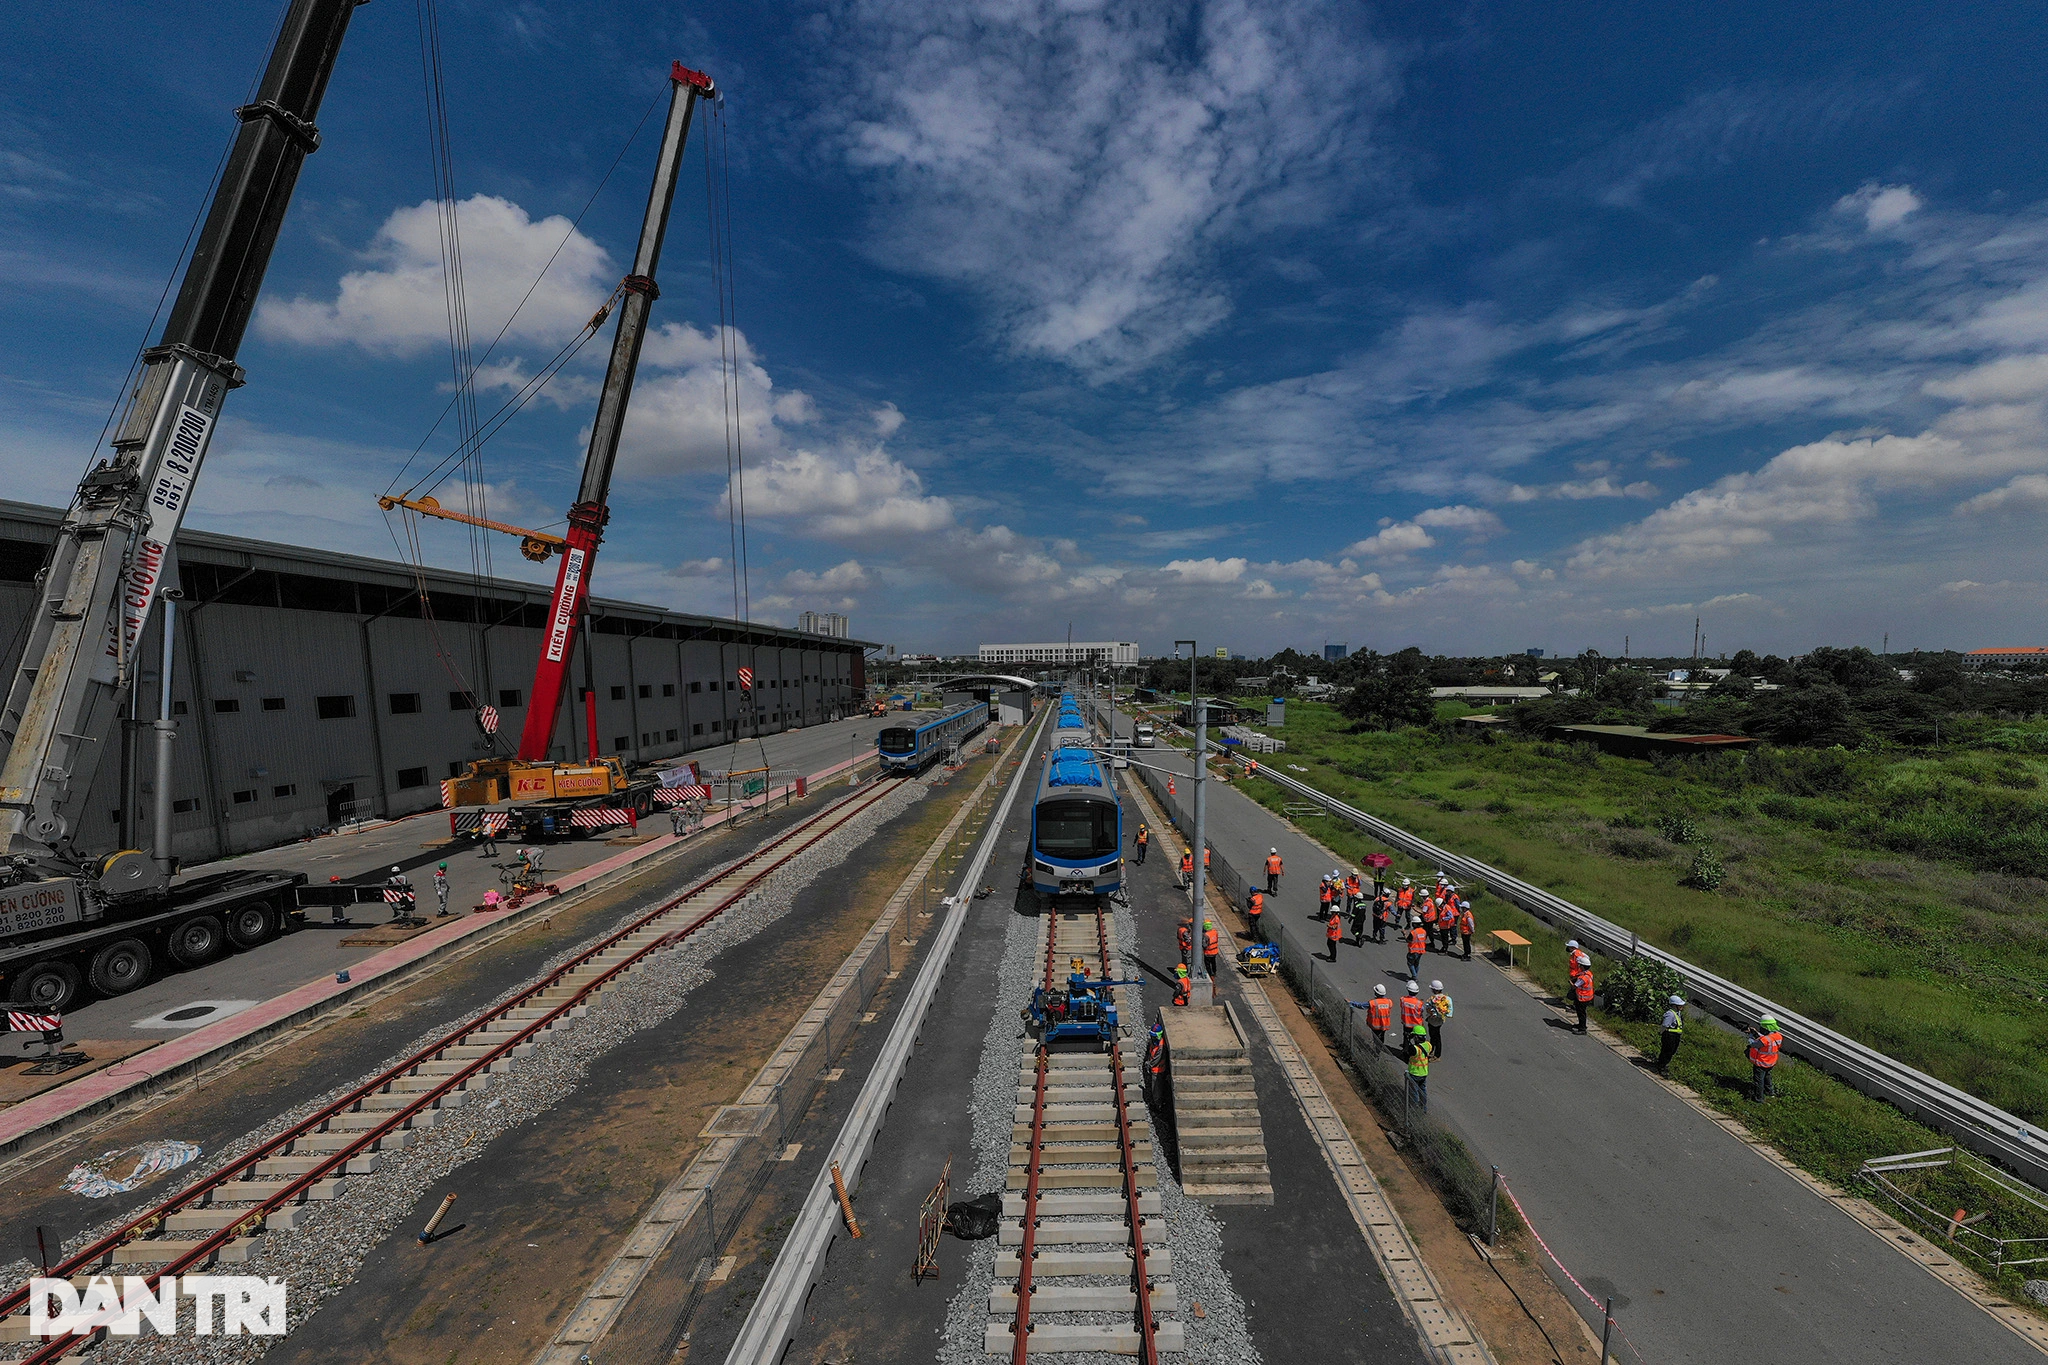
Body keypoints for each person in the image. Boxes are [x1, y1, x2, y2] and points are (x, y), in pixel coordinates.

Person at [1747, 1015, 1782, 1099]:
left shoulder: (1765, 1040)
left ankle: (1759, 1098)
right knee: (1767, 1077)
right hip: (1771, 1062)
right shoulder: (1778, 1036)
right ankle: (1770, 1092)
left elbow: (1753, 1044)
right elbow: (1767, 1038)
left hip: (1761, 1063)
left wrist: (1751, 1036)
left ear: (1766, 1027)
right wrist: (1757, 1033)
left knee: (1759, 1081)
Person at [1405, 1026, 1434, 1112]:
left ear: (1416, 1037)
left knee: (1414, 1092)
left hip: (1414, 1073)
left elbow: (1407, 1053)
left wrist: (1407, 1039)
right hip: (1424, 1073)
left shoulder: (1414, 1049)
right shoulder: (1429, 1045)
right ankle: (1423, 1107)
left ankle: (1414, 1109)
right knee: (1423, 1091)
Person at [1358, 985, 1394, 1051]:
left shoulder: (1373, 1003)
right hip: (1384, 1026)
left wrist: (1351, 1003)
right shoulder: (1389, 1002)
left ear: (1376, 993)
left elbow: (1361, 1006)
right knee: (1381, 1039)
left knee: (1376, 1040)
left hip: (1375, 1026)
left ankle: (1377, 1052)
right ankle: (1379, 1049)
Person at [1657, 994, 1686, 1072]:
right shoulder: (1670, 1014)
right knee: (1667, 1051)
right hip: (1669, 1035)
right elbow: (1665, 1025)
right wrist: (1661, 1032)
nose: (1681, 1007)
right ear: (1674, 1005)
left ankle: (1663, 1064)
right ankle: (1661, 1067)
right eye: (1679, 1005)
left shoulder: (1678, 1013)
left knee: (1672, 1051)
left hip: (1676, 1035)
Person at [1426, 980, 1454, 1057]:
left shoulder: (1432, 999)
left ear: (1434, 990)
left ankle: (1436, 1055)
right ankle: (1431, 1050)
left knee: (1435, 1036)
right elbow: (1449, 1013)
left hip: (1432, 1021)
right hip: (1440, 1021)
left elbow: (1428, 1009)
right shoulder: (1447, 999)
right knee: (1435, 1035)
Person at [1569, 962, 1594, 1034]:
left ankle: (1582, 1029)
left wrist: (1570, 982)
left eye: (1580, 965)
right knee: (1582, 1012)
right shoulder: (1589, 973)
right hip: (1588, 996)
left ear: (1583, 967)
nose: (1579, 966)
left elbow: (1574, 986)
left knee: (1581, 1013)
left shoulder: (1582, 978)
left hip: (1582, 998)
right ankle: (1581, 1025)